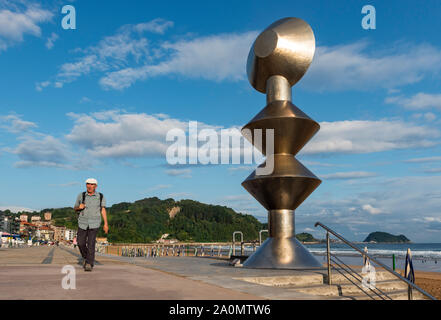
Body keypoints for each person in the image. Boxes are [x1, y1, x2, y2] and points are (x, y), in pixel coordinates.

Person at [74, 178, 109, 272]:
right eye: (88, 184)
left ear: (96, 186)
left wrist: (106, 224)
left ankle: (89, 263)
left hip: (95, 223)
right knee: (80, 243)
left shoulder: (100, 196)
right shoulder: (81, 195)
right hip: (82, 222)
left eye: (92, 184)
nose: (89, 186)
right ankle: (86, 257)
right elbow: (75, 208)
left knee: (91, 243)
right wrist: (79, 207)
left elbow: (103, 210)